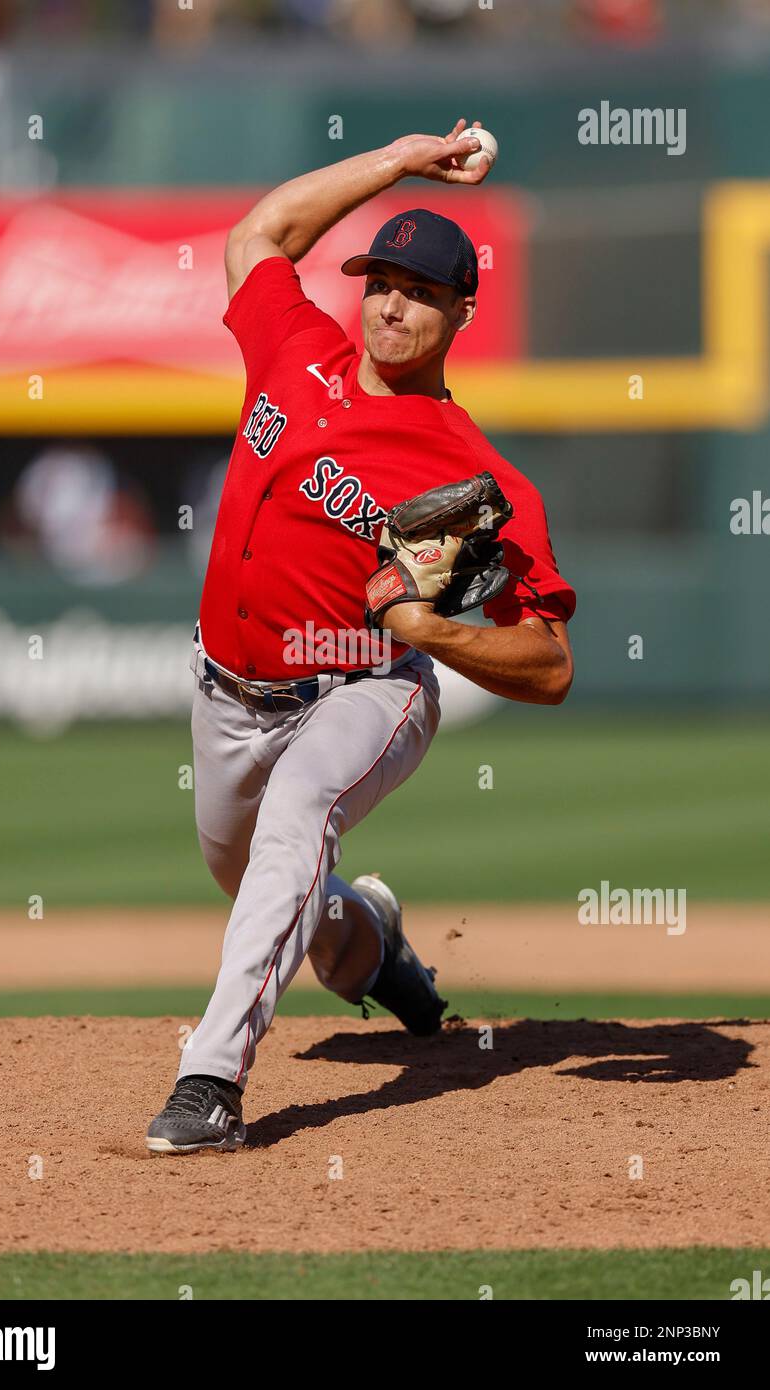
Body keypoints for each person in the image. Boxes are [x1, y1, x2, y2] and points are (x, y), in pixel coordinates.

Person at [147, 119, 575, 1153]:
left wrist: (434, 630)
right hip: (224, 693)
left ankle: (209, 1082)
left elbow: (549, 663)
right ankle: (371, 942)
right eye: (381, 280)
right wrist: (394, 160)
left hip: (362, 687)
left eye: (419, 291)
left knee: (300, 808)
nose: (390, 303)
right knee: (271, 883)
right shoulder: (295, 346)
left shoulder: (475, 471)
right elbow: (260, 233)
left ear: (459, 313)